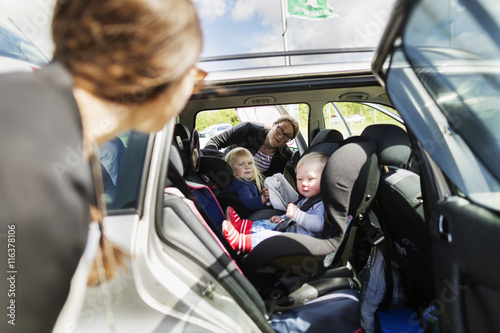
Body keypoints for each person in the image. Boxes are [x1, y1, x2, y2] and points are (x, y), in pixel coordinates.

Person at [0, 0, 203, 332]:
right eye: (194, 74)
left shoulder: (32, 113)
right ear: (157, 68)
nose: (193, 87)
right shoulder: (42, 180)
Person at [223, 152, 328, 253]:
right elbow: (294, 216)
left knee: (268, 236)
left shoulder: (321, 203)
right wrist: (282, 218)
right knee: (267, 223)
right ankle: (242, 226)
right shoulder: (306, 199)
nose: (304, 183)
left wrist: (297, 214)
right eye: (300, 179)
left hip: (296, 238)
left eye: (311, 179)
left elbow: (319, 224)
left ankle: (241, 242)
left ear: (325, 180)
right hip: (290, 227)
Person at [203, 115, 300, 177]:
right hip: (225, 176)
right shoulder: (249, 130)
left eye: (287, 136)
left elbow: (272, 181)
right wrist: (223, 164)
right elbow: (215, 142)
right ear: (274, 125)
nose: (280, 136)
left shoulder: (285, 155)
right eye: (280, 129)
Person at [222, 147, 270, 212]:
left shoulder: (242, 182)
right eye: (241, 164)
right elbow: (249, 203)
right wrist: (263, 198)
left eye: (250, 163)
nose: (247, 167)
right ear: (231, 169)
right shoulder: (241, 185)